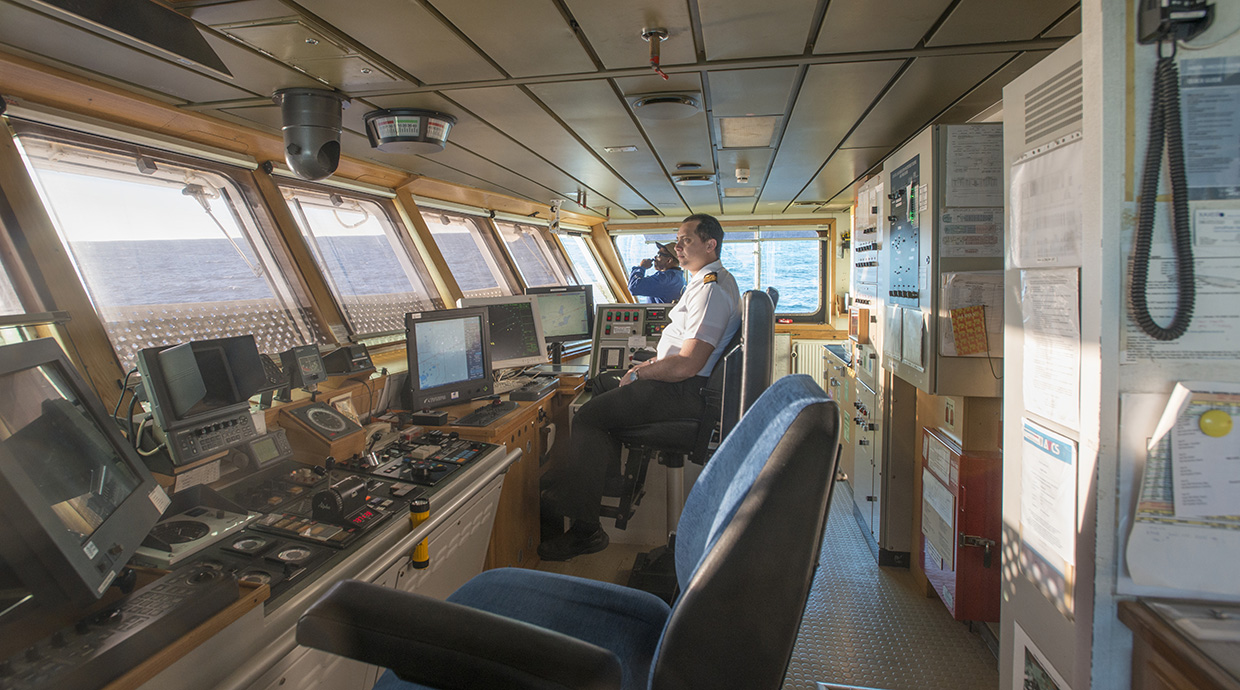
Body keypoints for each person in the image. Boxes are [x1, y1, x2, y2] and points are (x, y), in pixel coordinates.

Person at [539, 214, 741, 561]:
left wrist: (644, 374)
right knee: (602, 384)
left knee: (588, 417)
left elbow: (689, 364)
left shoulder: (711, 290)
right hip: (684, 382)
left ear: (711, 245)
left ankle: (587, 532)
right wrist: (649, 364)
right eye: (677, 240)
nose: (677, 247)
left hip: (686, 391)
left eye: (686, 240)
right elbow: (680, 353)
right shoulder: (709, 281)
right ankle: (606, 479)